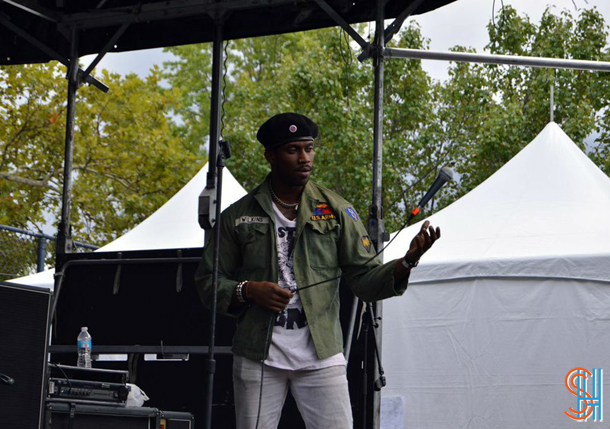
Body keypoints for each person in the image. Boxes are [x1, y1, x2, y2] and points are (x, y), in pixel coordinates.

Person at [195, 112, 440, 428]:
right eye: (293, 150)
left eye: (309, 148)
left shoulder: (337, 209)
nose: (304, 158)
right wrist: (248, 290)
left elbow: (364, 280)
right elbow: (207, 283)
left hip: (322, 353)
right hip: (259, 354)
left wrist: (407, 262)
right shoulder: (238, 216)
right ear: (270, 155)